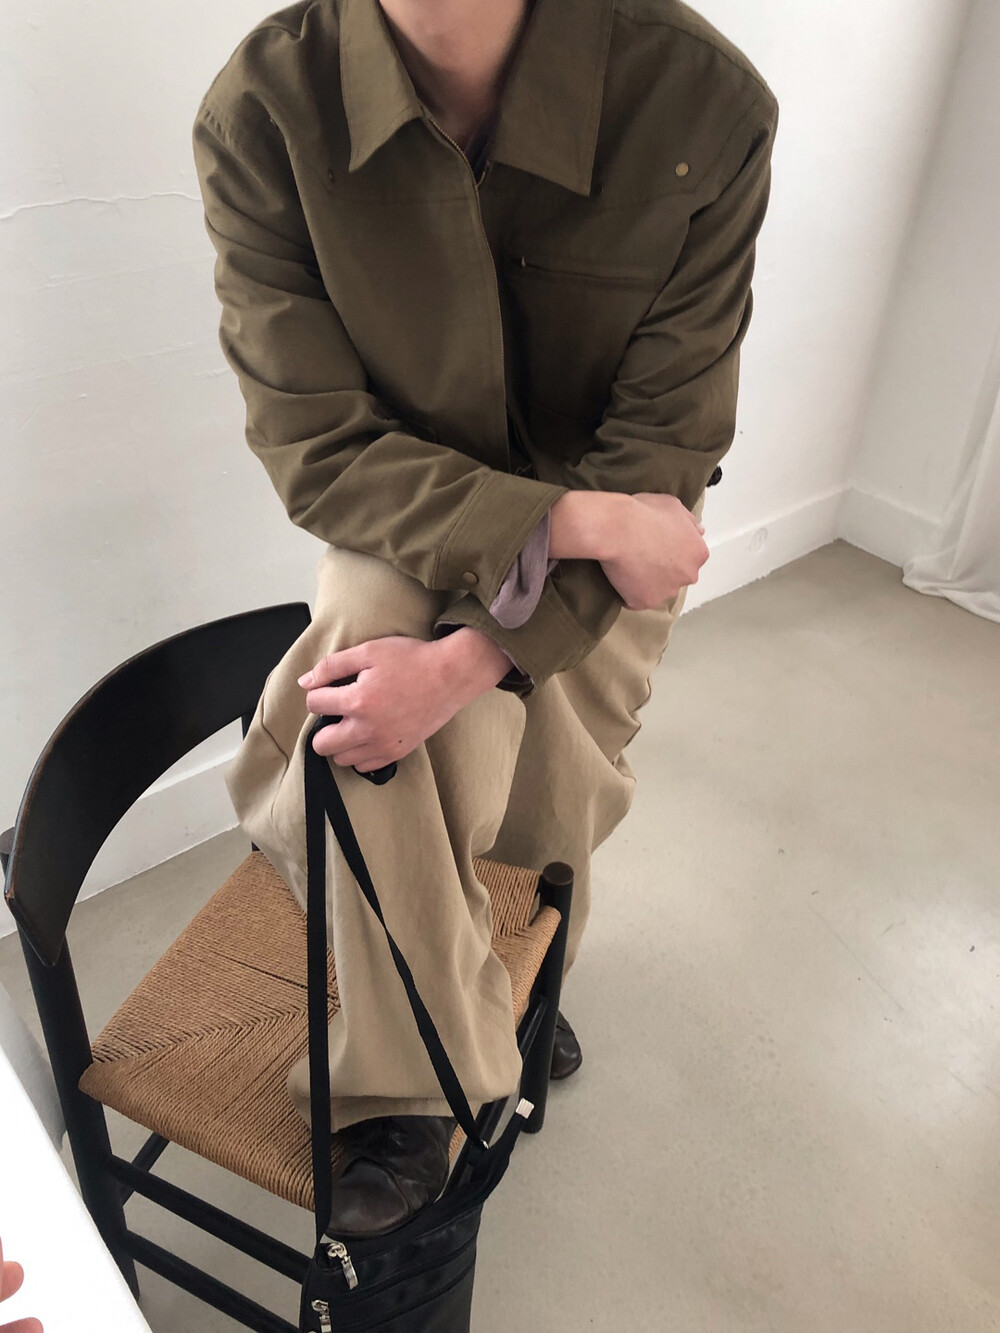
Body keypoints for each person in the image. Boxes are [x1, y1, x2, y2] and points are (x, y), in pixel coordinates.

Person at [193, 0, 778, 1236]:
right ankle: (414, 1079)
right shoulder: (264, 111)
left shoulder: (701, 101)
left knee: (554, 772)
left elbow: (661, 451)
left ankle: (510, 971)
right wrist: (569, 520)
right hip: (410, 511)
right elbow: (316, 446)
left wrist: (473, 657)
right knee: (363, 647)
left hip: (614, 547)